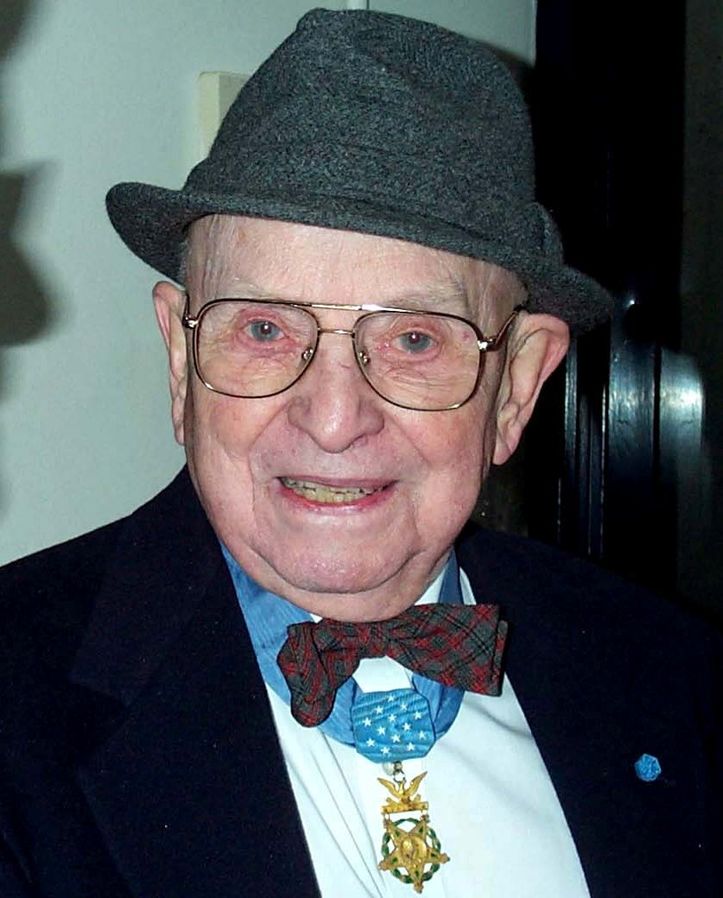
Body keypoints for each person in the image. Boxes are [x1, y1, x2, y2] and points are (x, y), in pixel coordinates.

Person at [0, 9, 720, 898]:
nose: (334, 419)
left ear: (517, 387)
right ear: (182, 363)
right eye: (264, 330)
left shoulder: (674, 676)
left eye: (415, 339)